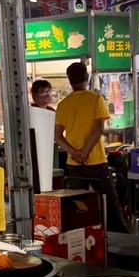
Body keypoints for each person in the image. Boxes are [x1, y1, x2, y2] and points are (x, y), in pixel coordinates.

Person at [54, 61, 129, 234]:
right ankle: (121, 238)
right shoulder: (96, 99)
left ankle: (77, 237)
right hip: (95, 160)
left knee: (76, 204)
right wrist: (86, 152)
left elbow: (58, 136)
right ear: (86, 77)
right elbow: (99, 129)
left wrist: (75, 153)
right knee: (109, 203)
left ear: (69, 80)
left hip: (74, 164)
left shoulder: (63, 104)